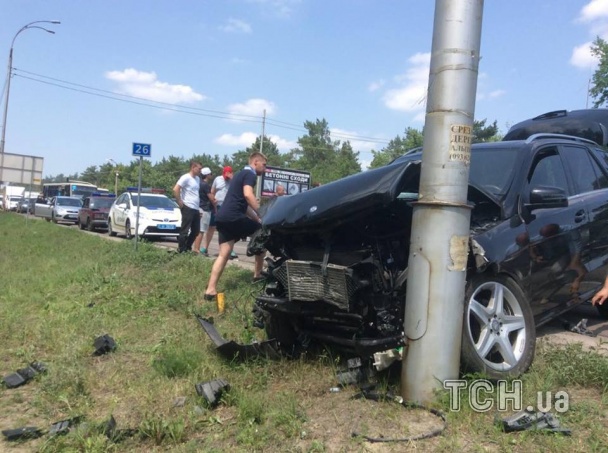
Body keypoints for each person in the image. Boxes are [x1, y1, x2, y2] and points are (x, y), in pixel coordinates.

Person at [204, 152, 267, 299]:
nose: (264, 169)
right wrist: (263, 213)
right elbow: (247, 195)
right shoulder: (250, 175)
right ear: (256, 162)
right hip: (234, 217)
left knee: (224, 254)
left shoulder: (239, 175)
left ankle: (210, 290)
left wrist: (257, 218)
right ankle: (257, 276)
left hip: (223, 217)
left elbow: (243, 205)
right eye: (264, 165)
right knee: (263, 234)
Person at [206, 165, 238, 259]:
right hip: (217, 205)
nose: (226, 178)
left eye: (228, 176)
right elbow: (212, 191)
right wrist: (213, 202)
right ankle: (205, 247)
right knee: (212, 227)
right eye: (225, 176)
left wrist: (232, 179)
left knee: (228, 228)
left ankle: (229, 249)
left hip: (228, 206)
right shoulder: (218, 179)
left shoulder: (234, 180)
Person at [173, 160, 202, 253]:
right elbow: (176, 189)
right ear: (193, 167)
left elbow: (195, 193)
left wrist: (199, 208)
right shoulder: (186, 177)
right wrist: (179, 201)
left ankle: (187, 247)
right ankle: (181, 249)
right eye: (199, 168)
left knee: (196, 230)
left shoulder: (197, 179)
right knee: (185, 230)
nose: (200, 171)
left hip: (195, 208)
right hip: (187, 206)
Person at [193, 167, 214, 256]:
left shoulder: (198, 183)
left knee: (199, 229)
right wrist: (215, 201)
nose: (211, 175)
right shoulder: (205, 185)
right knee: (201, 230)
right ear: (207, 175)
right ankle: (196, 249)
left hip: (198, 207)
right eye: (210, 174)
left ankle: (195, 248)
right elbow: (211, 198)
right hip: (205, 208)